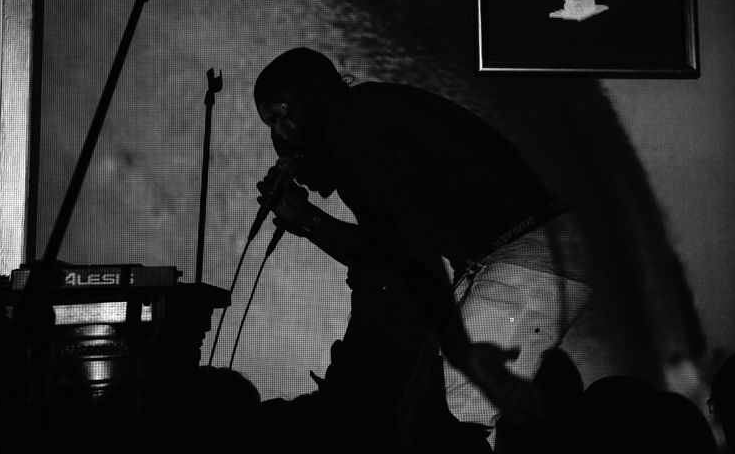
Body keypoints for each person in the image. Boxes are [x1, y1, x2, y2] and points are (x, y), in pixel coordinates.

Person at [253, 47, 595, 450]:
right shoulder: (365, 129)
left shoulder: (350, 115)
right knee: (416, 418)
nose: (280, 135)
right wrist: (305, 218)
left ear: (314, 95)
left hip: (529, 254)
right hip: (514, 257)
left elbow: (408, 232)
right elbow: (387, 254)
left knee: (441, 423)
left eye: (280, 115)